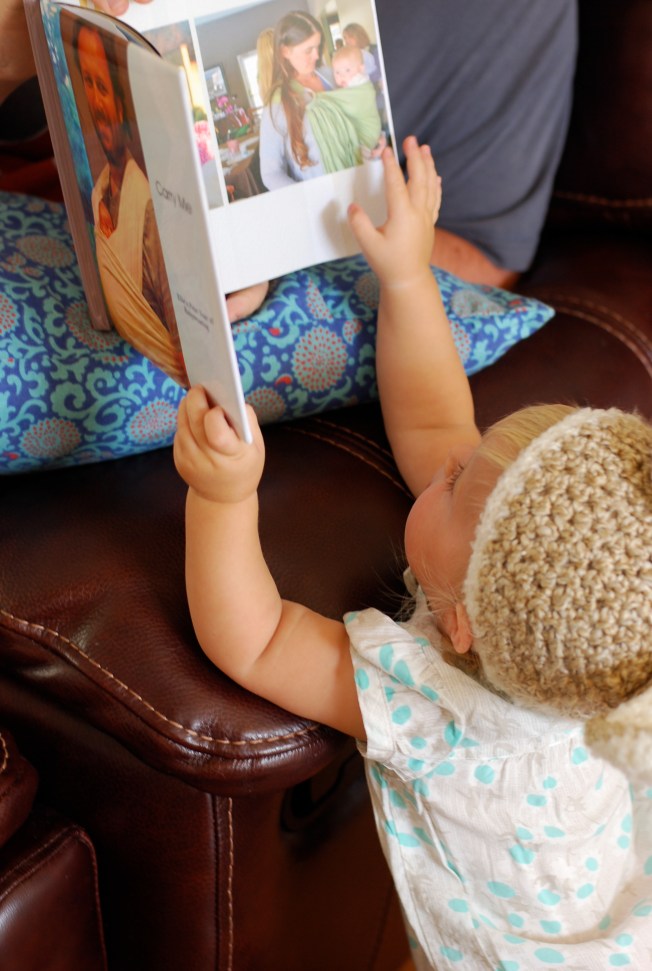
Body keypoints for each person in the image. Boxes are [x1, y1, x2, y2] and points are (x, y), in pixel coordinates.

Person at [173, 137, 652, 970]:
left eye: (457, 481)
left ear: (459, 622)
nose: (447, 458)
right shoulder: (589, 644)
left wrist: (223, 495)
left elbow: (254, 638)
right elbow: (436, 424)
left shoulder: (434, 711)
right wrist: (406, 275)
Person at [67, 16, 186, 384]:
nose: (94, 102)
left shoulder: (149, 206)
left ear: (121, 103)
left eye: (101, 86)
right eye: (87, 84)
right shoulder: (101, 191)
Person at [258, 10, 382, 190]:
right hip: (327, 196)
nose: (317, 56)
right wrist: (308, 197)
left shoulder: (331, 76)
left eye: (318, 46)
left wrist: (377, 140)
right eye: (308, 50)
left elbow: (358, 112)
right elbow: (270, 173)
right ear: (285, 51)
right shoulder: (277, 104)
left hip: (366, 177)